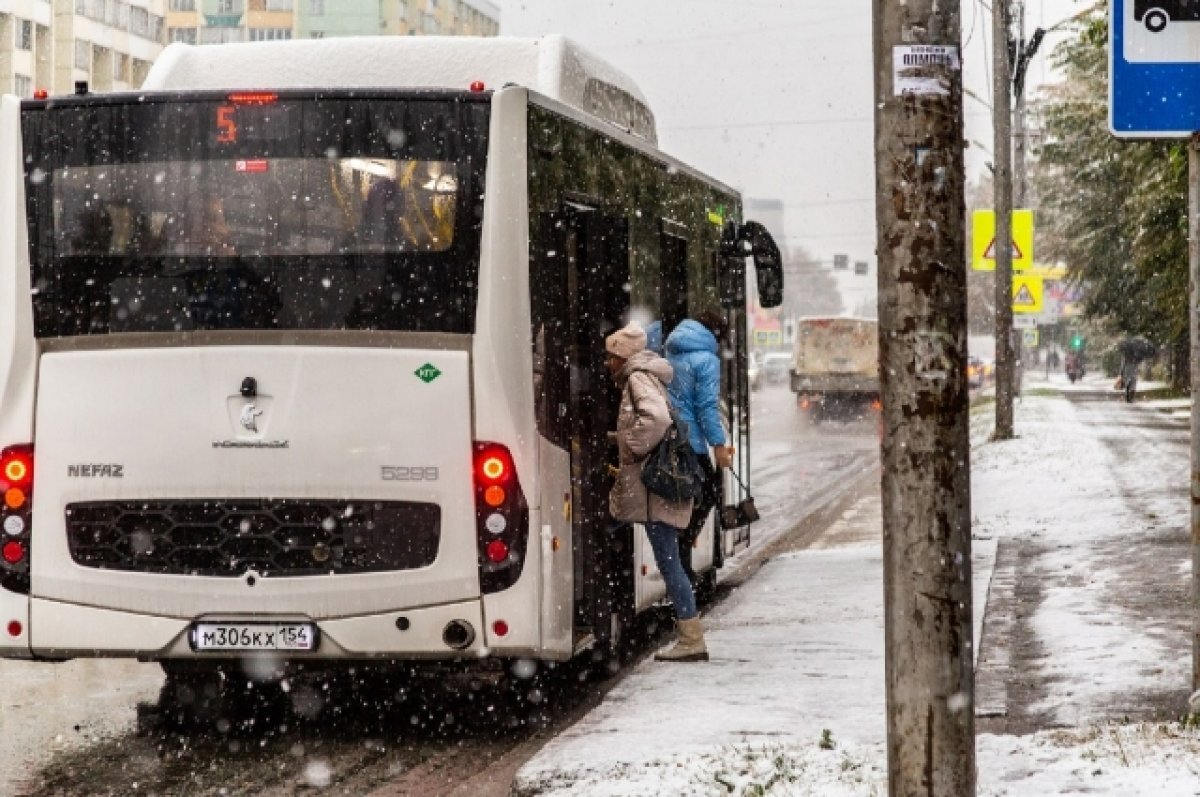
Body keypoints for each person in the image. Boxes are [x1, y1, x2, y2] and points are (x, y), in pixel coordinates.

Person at [605, 322, 708, 663]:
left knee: (669, 563)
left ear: (623, 357)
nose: (608, 364)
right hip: (654, 491)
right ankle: (690, 635)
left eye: (611, 357)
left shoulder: (637, 379)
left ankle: (692, 639)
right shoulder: (645, 376)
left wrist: (632, 446)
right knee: (666, 559)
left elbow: (657, 420)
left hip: (654, 491)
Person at [663, 310, 734, 585]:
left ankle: (679, 557)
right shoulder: (707, 360)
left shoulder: (671, 352)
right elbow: (706, 408)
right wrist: (718, 444)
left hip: (670, 438)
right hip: (692, 441)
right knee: (709, 494)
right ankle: (681, 557)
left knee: (683, 498)